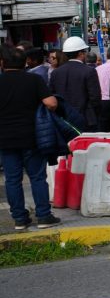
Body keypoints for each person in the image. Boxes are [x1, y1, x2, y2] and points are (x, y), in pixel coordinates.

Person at [0, 45, 61, 231]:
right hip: (31, 137)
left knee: (12, 180)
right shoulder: (34, 80)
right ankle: (43, 216)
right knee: (37, 177)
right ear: (25, 63)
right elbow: (51, 103)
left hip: (5, 139)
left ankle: (19, 219)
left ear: (2, 63)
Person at [49, 36, 102, 131]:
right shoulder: (89, 71)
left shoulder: (56, 72)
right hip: (86, 119)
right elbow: (95, 97)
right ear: (80, 54)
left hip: (63, 118)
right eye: (85, 52)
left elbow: (52, 95)